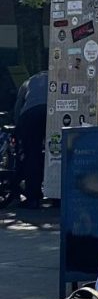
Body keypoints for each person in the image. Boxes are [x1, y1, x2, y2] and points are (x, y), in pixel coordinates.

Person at [13, 71, 47, 206]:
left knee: (32, 154)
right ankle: (57, 196)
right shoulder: (56, 77)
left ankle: (33, 196)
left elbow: (18, 105)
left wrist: (17, 127)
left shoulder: (28, 81)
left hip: (29, 114)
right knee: (55, 152)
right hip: (52, 112)